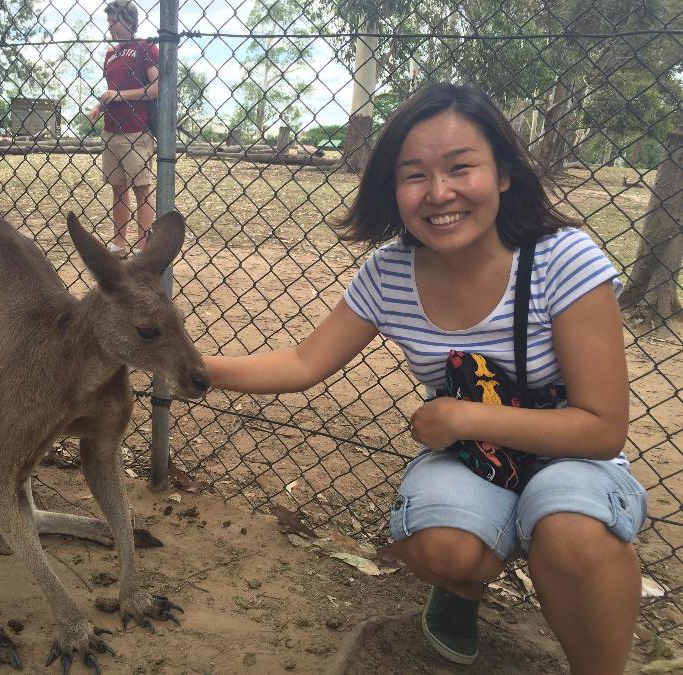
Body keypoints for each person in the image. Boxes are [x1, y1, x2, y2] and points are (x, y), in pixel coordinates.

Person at [204, 82, 647, 674]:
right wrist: (189, 368)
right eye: (414, 175)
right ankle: (461, 589)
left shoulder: (562, 259)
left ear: (504, 175)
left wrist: (463, 416)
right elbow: (303, 364)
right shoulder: (390, 271)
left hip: (571, 455)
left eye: (461, 167)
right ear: (393, 187)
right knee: (444, 548)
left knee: (569, 529)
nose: (440, 193)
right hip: (476, 457)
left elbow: (602, 429)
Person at [88, 0, 158, 257]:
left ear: (128, 21)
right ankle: (119, 243)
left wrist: (118, 95)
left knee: (141, 188)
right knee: (118, 188)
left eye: (112, 21)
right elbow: (113, 91)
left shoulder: (146, 47)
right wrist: (100, 105)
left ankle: (144, 246)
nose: (109, 27)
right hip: (111, 130)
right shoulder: (110, 54)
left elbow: (157, 88)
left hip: (135, 130)